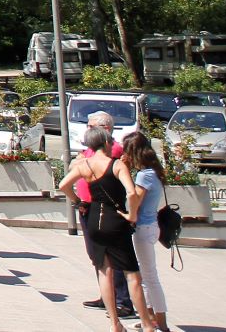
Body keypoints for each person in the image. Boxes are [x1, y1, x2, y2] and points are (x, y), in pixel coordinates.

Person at [59, 122, 151, 332]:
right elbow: (131, 193)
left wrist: (78, 202)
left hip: (94, 221)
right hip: (115, 220)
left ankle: (114, 323)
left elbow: (63, 185)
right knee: (132, 275)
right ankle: (147, 324)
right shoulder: (117, 165)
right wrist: (132, 214)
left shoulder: (84, 165)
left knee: (104, 271)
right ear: (106, 143)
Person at [73, 111, 137, 320]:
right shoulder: (93, 151)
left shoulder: (113, 150)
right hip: (89, 208)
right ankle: (106, 296)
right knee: (98, 257)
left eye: (91, 127)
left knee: (112, 259)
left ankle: (121, 302)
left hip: (103, 210)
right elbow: (76, 164)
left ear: (105, 129)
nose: (87, 130)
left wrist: (82, 158)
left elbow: (81, 164)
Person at [122, 132, 170, 332]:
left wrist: (127, 215)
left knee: (148, 278)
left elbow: (135, 201)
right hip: (151, 226)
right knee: (146, 276)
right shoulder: (153, 172)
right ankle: (150, 319)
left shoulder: (144, 175)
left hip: (143, 227)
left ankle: (160, 324)